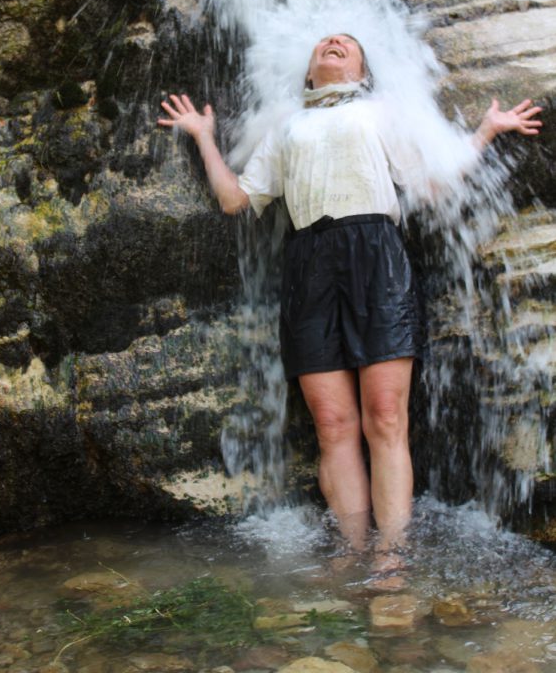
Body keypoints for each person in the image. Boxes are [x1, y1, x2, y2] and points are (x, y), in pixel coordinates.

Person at [158, 33, 542, 571]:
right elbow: (234, 199)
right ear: (310, 74)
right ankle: (352, 550)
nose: (334, 42)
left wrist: (484, 132)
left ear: (362, 69)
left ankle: (390, 560)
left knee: (385, 417)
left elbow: (430, 185)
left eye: (347, 43)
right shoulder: (287, 125)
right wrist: (204, 136)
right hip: (308, 262)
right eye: (324, 43)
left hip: (377, 255)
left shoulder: (381, 110)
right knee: (333, 424)